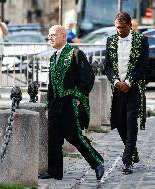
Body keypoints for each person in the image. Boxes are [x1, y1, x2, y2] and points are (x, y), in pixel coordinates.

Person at [39, 25, 104, 180]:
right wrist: (48, 105)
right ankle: (55, 171)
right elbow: (51, 84)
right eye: (49, 35)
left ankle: (97, 163)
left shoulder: (75, 53)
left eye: (53, 35)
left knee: (74, 136)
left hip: (69, 102)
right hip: (55, 104)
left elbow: (88, 78)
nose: (50, 38)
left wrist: (77, 97)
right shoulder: (53, 56)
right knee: (53, 138)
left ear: (63, 36)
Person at [104, 12, 149, 174]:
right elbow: (107, 65)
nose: (119, 31)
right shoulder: (110, 40)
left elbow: (144, 66)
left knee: (131, 123)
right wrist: (116, 82)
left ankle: (127, 159)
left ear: (130, 25)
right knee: (118, 121)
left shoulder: (142, 41)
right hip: (117, 89)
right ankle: (132, 150)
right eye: (117, 27)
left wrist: (129, 82)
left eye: (122, 28)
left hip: (134, 88)